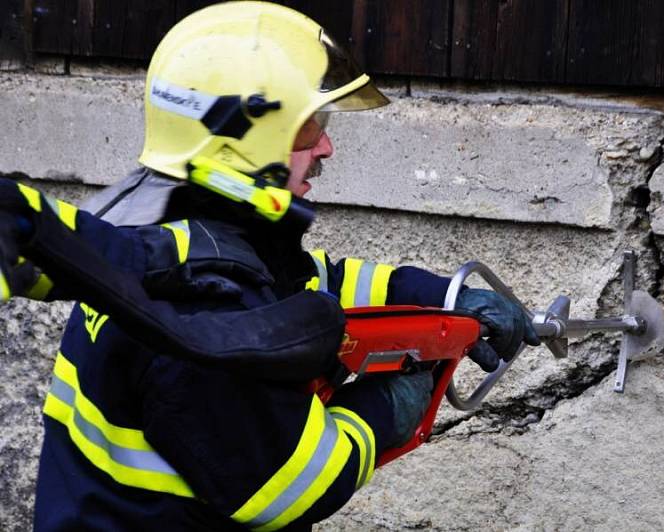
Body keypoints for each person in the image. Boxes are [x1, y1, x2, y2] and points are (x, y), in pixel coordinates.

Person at [0, 2, 539, 530]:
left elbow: (317, 284)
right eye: (309, 128)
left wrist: (445, 299)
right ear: (244, 141)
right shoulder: (206, 308)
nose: (326, 147)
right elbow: (286, 487)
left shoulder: (170, 235)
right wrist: (383, 411)